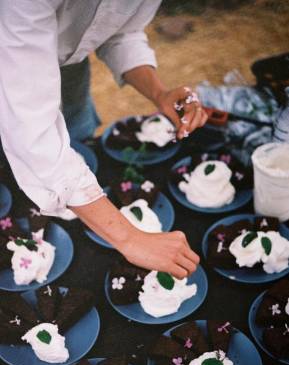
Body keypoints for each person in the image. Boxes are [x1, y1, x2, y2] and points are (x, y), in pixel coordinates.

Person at [0, 1, 207, 278]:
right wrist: (130, 238)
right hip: (10, 66)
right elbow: (34, 135)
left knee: (80, 142)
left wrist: (159, 93)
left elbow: (121, 32)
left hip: (69, 68)